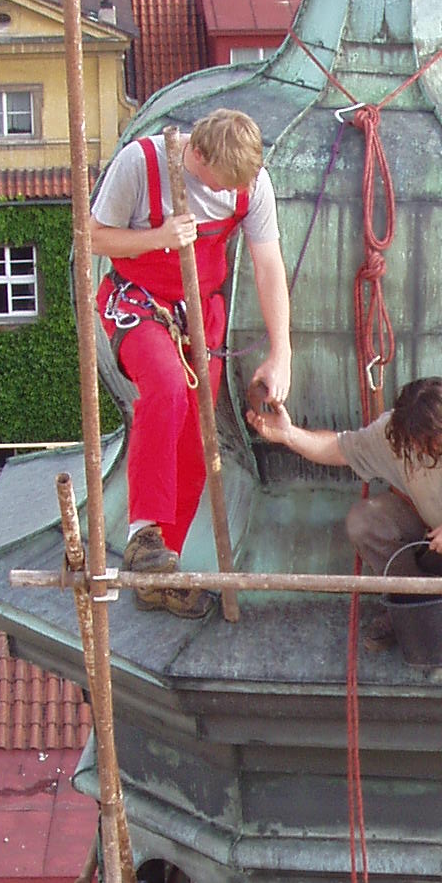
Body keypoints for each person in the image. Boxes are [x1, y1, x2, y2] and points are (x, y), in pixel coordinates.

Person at [89, 109, 292, 617]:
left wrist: (281, 352)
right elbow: (94, 236)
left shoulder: (252, 185)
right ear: (196, 155)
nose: (230, 195)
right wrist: (158, 238)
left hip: (199, 312)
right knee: (166, 390)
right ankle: (144, 535)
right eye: (221, 184)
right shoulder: (141, 165)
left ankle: (160, 569)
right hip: (138, 300)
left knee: (199, 437)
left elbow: (268, 264)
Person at [248, 376, 442, 675]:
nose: (420, 451)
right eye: (414, 444)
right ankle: (413, 599)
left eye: (430, 443)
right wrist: (289, 435)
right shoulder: (397, 433)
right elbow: (338, 448)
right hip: (429, 532)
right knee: (365, 520)